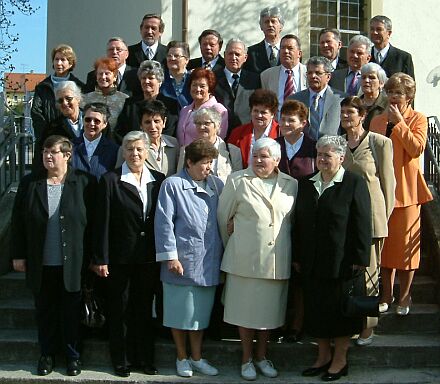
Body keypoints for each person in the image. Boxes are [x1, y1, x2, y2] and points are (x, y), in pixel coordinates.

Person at [11, 135, 96, 377]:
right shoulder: (30, 183)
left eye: (54, 152)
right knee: (45, 311)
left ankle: (72, 356)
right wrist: (18, 255)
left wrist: (96, 257)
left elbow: (94, 224)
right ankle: (46, 355)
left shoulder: (84, 182)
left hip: (73, 263)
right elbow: (18, 222)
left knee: (71, 313)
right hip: (42, 261)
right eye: (45, 152)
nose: (48, 156)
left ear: (67, 155)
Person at [218, 137, 297, 380]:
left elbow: (291, 222)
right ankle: (246, 359)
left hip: (275, 261)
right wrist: (234, 245)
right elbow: (223, 219)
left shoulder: (291, 184)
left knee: (268, 314)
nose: (259, 160)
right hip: (245, 259)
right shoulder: (237, 180)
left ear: (276, 160)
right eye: (255, 155)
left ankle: (262, 357)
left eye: (264, 156)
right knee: (245, 313)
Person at [294, 135, 371, 382]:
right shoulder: (306, 184)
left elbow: (362, 223)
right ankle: (323, 356)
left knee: (340, 313)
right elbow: (298, 224)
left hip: (342, 261)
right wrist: (297, 256)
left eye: (328, 155)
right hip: (312, 261)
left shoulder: (354, 182)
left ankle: (340, 360)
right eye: (319, 154)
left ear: (341, 157)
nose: (322, 159)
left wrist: (360, 257)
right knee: (317, 311)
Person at [92, 131, 165, 378]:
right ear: (123, 152)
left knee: (144, 309)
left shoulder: (159, 179)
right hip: (119, 259)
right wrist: (100, 258)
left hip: (147, 258)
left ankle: (144, 358)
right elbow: (101, 223)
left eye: (139, 149)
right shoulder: (110, 180)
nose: (135, 154)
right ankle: (121, 360)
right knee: (120, 310)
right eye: (130, 149)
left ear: (147, 152)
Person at [155, 139, 223, 378]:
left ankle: (197, 357)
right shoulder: (172, 184)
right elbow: (164, 223)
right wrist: (170, 257)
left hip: (209, 260)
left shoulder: (217, 184)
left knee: (199, 315)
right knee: (178, 313)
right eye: (205, 163)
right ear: (190, 162)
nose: (209, 168)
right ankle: (181, 356)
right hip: (181, 262)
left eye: (211, 163)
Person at [370, 73, 433, 316]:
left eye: (399, 93)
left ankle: (405, 295)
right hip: (383, 191)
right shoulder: (377, 120)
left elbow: (416, 148)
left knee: (406, 248)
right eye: (391, 92)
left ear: (409, 96)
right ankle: (386, 294)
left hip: (407, 191)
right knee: (385, 248)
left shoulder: (417, 119)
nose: (394, 97)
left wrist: (400, 124)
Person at [340, 96, 395, 345]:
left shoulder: (379, 143)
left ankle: (368, 326)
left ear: (362, 115)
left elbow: (388, 185)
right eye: (342, 113)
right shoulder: (338, 144)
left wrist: (383, 218)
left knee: (370, 275)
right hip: (344, 221)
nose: (345, 117)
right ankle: (351, 320)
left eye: (350, 112)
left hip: (371, 220)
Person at [31, 44, 85, 165]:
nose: (59, 63)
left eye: (63, 60)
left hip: (73, 139)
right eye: (56, 59)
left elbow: (82, 110)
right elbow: (36, 113)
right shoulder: (42, 87)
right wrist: (47, 136)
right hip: (49, 137)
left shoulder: (80, 86)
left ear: (70, 63)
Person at [115, 60, 178, 142]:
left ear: (160, 81)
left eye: (151, 78)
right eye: (143, 78)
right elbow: (120, 131)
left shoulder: (170, 104)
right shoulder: (130, 104)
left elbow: (170, 131)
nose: (146, 81)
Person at [177, 107, 242, 182]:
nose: (201, 127)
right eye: (198, 123)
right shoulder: (186, 151)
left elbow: (238, 181)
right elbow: (180, 179)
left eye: (206, 123)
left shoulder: (233, 152)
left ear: (217, 125)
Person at [116, 100, 179, 176]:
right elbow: (119, 176)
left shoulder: (174, 143)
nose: (152, 126)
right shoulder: (128, 146)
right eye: (147, 122)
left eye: (156, 121)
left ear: (164, 122)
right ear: (141, 125)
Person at [289, 56, 345, 141]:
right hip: (302, 150)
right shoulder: (295, 100)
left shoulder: (340, 99)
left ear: (328, 77)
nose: (313, 76)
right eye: (310, 73)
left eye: (318, 73)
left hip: (330, 149)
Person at [213, 38, 261, 133]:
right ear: (224, 55)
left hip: (246, 132)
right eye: (230, 53)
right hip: (220, 132)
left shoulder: (255, 79)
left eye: (237, 54)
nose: (233, 57)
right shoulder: (213, 78)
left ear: (245, 57)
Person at [228, 89, 279, 168]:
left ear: (272, 114)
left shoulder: (280, 133)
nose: (259, 115)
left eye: (263, 112)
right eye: (256, 111)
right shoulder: (237, 133)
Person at [177, 68, 228, 146]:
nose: (198, 89)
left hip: (205, 156)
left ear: (209, 88)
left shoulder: (218, 109)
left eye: (202, 86)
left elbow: (219, 139)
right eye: (194, 85)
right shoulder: (184, 110)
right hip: (182, 156)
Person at [82, 57, 129, 137]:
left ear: (115, 77)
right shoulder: (85, 99)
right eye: (100, 74)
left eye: (107, 73)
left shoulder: (124, 99)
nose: (103, 77)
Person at [261, 34, 307, 113]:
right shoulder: (266, 75)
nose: (285, 51)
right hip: (277, 123)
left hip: (302, 122)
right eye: (282, 48)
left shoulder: (309, 73)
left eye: (290, 48)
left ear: (299, 53)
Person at [72, 102, 119, 180]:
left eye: (97, 121)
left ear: (105, 124)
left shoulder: (114, 150)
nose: (91, 124)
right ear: (82, 120)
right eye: (88, 120)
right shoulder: (70, 146)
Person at [244, 6, 284, 74]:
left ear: (281, 26)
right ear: (261, 26)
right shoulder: (251, 53)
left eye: (273, 21)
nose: (270, 25)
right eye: (266, 22)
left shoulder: (290, 51)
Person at [45, 81, 84, 147]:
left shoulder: (94, 120)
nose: (65, 103)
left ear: (78, 99)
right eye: (60, 101)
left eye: (68, 99)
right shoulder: (53, 128)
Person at [160, 41, 193, 109]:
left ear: (186, 60)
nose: (172, 58)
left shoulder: (193, 79)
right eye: (169, 56)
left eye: (176, 56)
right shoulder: (160, 79)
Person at [360, 62, 389, 130]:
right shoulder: (355, 103)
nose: (366, 80)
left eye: (371, 77)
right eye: (363, 77)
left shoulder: (388, 105)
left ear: (381, 83)